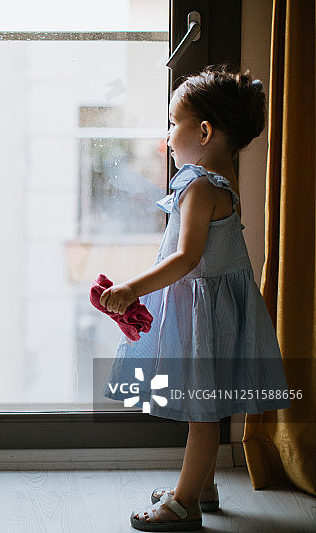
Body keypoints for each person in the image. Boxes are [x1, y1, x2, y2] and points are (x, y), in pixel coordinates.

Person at [99, 66, 290, 531]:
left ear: (204, 132)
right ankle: (202, 486)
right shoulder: (222, 178)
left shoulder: (200, 185)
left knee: (202, 414)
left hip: (201, 314)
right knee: (207, 406)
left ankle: (184, 504)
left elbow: (186, 258)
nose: (167, 135)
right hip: (215, 310)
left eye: (172, 124)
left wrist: (132, 289)